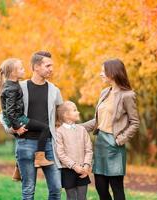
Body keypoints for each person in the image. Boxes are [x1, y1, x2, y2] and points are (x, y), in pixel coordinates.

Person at [0, 51, 63, 200]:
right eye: (48, 65)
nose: (51, 69)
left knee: (56, 189)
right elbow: (4, 113)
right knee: (28, 191)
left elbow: (60, 119)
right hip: (25, 143)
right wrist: (13, 128)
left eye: (51, 65)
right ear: (36, 67)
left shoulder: (55, 90)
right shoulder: (20, 87)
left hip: (48, 145)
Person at [82, 58, 140, 200]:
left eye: (103, 71)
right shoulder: (104, 93)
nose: (101, 74)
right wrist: (75, 128)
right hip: (100, 143)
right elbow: (98, 121)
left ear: (112, 73)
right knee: (100, 188)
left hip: (114, 145)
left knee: (117, 188)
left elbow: (135, 122)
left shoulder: (128, 95)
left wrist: (120, 140)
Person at [0, 58, 54, 171]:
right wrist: (17, 126)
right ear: (13, 72)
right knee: (45, 128)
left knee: (22, 137)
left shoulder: (12, 85)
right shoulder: (11, 88)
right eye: (21, 68)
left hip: (16, 119)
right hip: (19, 119)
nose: (24, 70)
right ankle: (40, 157)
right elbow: (10, 110)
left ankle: (18, 168)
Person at [56, 101, 93, 200]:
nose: (78, 112)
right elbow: (60, 153)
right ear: (66, 115)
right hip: (68, 170)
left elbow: (89, 149)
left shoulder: (82, 130)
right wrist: (74, 165)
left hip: (83, 170)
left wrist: (86, 165)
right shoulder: (59, 132)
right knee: (71, 197)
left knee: (82, 197)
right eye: (75, 110)